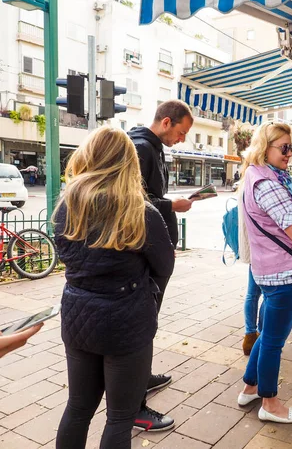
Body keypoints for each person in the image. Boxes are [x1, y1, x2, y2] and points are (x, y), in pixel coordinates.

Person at [54, 127, 175, 449]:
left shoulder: (67, 206)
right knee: (120, 417)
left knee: (78, 408)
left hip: (78, 317)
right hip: (126, 320)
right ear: (129, 163)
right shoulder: (140, 211)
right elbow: (164, 266)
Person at [238, 122, 292, 424]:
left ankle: (250, 386)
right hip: (284, 274)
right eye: (283, 147)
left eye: (291, 148)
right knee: (273, 341)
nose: (289, 153)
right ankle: (270, 404)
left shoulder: (256, 177)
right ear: (265, 148)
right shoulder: (269, 184)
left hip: (267, 270)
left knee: (267, 335)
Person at [128, 99, 193, 431]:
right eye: (180, 133)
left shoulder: (150, 147)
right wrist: (172, 205)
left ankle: (142, 380)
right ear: (166, 122)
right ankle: (135, 404)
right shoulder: (141, 148)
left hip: (153, 249)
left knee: (148, 323)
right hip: (146, 252)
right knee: (143, 325)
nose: (181, 140)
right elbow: (135, 201)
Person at [239, 157, 264, 356]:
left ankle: (249, 335)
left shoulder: (244, 183)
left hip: (252, 246)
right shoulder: (260, 183)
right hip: (264, 248)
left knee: (252, 293)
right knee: (270, 295)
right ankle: (261, 335)